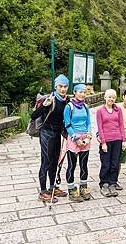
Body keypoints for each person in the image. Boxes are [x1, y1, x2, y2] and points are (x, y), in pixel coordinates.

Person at [31, 74, 69, 202]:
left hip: (57, 133)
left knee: (54, 161)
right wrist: (45, 106)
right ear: (56, 86)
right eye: (60, 86)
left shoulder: (66, 101)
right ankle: (42, 191)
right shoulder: (49, 99)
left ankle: (52, 187)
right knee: (46, 161)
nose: (63, 89)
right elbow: (33, 116)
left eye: (65, 86)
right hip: (46, 133)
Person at [63, 84, 92, 202]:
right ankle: (71, 189)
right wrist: (76, 138)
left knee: (84, 165)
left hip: (85, 138)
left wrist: (89, 135)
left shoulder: (85, 106)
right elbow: (67, 124)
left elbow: (88, 121)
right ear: (75, 92)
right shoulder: (69, 106)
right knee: (72, 165)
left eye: (84, 92)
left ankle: (83, 187)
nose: (82, 94)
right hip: (73, 138)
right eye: (80, 92)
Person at [96, 89, 126, 197]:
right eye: (109, 97)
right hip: (106, 140)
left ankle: (113, 182)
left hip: (117, 139)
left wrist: (123, 140)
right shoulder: (100, 111)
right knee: (106, 163)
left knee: (115, 163)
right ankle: (104, 183)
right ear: (105, 97)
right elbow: (100, 127)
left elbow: (121, 125)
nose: (111, 99)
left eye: (113, 97)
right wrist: (103, 142)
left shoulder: (118, 110)